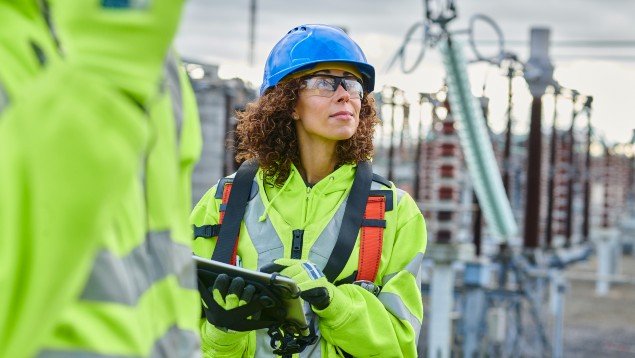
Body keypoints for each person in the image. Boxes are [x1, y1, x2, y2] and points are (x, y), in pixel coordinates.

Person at [191, 24, 427, 357]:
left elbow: (400, 346)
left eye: (352, 84)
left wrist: (334, 303)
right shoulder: (223, 203)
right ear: (288, 102)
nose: (344, 94)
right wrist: (223, 329)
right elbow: (176, 337)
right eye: (325, 83)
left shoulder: (394, 211)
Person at [0, 0, 202, 356]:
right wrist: (105, 75)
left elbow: (169, 270)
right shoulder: (124, 46)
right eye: (325, 81)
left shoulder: (148, 48)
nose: (339, 94)